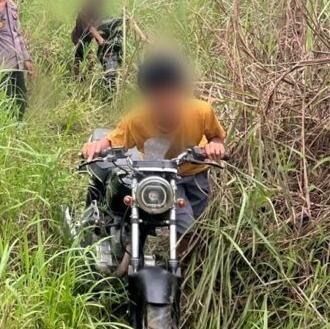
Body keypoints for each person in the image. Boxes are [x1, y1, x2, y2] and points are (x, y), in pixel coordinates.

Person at [81, 54, 227, 253]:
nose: (165, 104)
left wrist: (215, 146)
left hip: (195, 172)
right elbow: (114, 138)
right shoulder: (136, 119)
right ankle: (168, 263)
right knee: (185, 226)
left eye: (171, 96)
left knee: (195, 227)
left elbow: (216, 137)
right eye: (158, 97)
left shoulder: (201, 112)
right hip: (160, 173)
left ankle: (181, 266)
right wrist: (96, 146)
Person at [71, 0, 108, 76]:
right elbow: (90, 27)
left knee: (81, 58)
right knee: (86, 58)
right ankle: (79, 78)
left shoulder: (97, 10)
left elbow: (100, 25)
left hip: (86, 38)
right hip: (78, 38)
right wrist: (100, 39)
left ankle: (83, 76)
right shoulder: (84, 11)